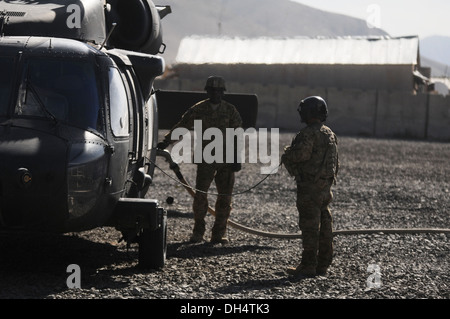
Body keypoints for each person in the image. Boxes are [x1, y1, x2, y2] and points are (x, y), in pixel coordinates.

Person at [157, 76, 243, 244]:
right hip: (206, 159)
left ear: (223, 92)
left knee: (225, 198)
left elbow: (238, 135)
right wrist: (166, 141)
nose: (216, 94)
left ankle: (219, 234)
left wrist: (236, 157)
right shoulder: (198, 109)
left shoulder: (230, 110)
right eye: (213, 90)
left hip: (226, 160)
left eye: (219, 91)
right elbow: (182, 125)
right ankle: (198, 232)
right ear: (208, 91)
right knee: (200, 197)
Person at [281, 96, 339, 277]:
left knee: (310, 226)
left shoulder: (308, 133)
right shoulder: (329, 132)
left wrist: (287, 154)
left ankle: (308, 266)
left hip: (310, 188)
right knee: (325, 225)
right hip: (324, 187)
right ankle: (323, 264)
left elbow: (301, 155)